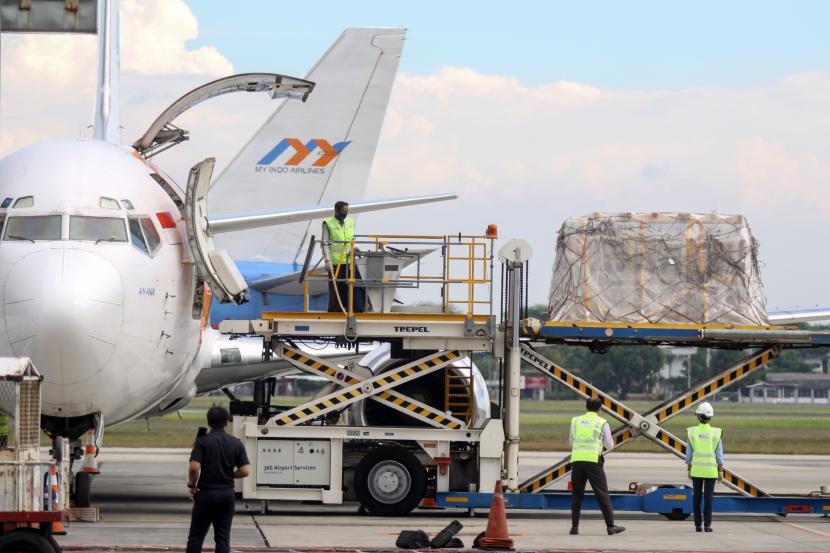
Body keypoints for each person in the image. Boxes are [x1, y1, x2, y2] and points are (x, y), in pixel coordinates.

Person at [186, 406, 251, 553]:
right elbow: (245, 470)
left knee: (196, 536)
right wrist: (230, 474)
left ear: (208, 422)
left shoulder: (202, 442)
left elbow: (194, 468)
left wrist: (191, 485)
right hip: (227, 494)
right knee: (222, 538)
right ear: (226, 423)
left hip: (206, 495)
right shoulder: (236, 443)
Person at [569, 397, 626, 536]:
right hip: (593, 461)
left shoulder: (575, 420)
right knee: (602, 494)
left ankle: (574, 527)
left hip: (576, 460)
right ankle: (610, 526)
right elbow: (609, 445)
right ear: (600, 409)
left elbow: (571, 441)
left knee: (577, 494)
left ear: (586, 407)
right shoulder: (602, 422)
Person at [686, 401, 723, 533]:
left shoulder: (692, 432)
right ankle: (707, 525)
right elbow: (719, 454)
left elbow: (689, 454)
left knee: (696, 498)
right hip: (711, 472)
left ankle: (697, 525)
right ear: (710, 417)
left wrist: (689, 469)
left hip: (696, 470)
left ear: (698, 416)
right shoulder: (716, 433)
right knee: (708, 499)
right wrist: (721, 470)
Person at [322, 201, 364, 313]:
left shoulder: (350, 222)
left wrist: (356, 248)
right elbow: (325, 243)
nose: (344, 214)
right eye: (342, 212)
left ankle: (351, 309)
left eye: (346, 212)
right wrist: (327, 260)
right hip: (335, 261)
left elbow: (352, 239)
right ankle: (335, 310)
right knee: (335, 288)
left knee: (350, 286)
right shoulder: (328, 223)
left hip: (349, 260)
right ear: (336, 211)